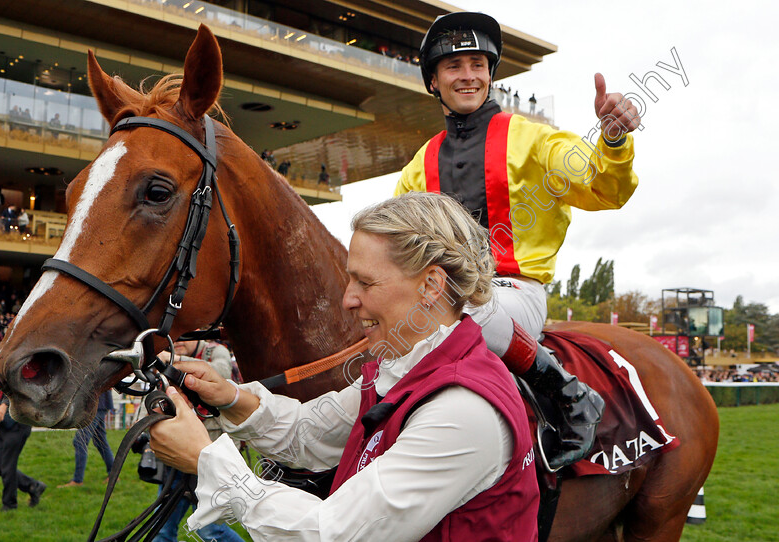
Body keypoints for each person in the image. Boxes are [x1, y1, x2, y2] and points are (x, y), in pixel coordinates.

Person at [149, 192, 539, 541]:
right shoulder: (404, 370)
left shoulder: (462, 409)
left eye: (365, 283)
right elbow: (310, 431)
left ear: (431, 286)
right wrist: (230, 397)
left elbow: (333, 532)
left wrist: (207, 461)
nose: (348, 300)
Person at [395, 12, 641, 468]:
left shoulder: (534, 138)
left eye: (477, 64)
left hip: (513, 294)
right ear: (433, 81)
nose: (467, 76)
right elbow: (396, 250)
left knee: (460, 310)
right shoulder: (419, 163)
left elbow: (606, 189)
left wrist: (612, 141)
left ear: (490, 74)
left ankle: (569, 395)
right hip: (438, 301)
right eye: (453, 66)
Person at [152, 339, 245, 542]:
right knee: (161, 528)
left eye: (184, 336)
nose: (177, 342)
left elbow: (220, 372)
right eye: (173, 338)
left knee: (210, 531)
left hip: (210, 459)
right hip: (177, 457)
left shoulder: (216, 351)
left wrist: (173, 362)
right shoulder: (166, 360)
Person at [0, 355, 47, 511]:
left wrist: (4, 404)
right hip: (3, 427)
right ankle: (32, 485)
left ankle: (9, 505)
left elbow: (23, 388)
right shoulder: (0, 368)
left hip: (17, 425)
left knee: (8, 468)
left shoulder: (23, 364)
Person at [57, 389, 115, 488]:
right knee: (100, 441)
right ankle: (113, 475)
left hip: (96, 404)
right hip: (100, 403)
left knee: (80, 441)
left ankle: (77, 480)